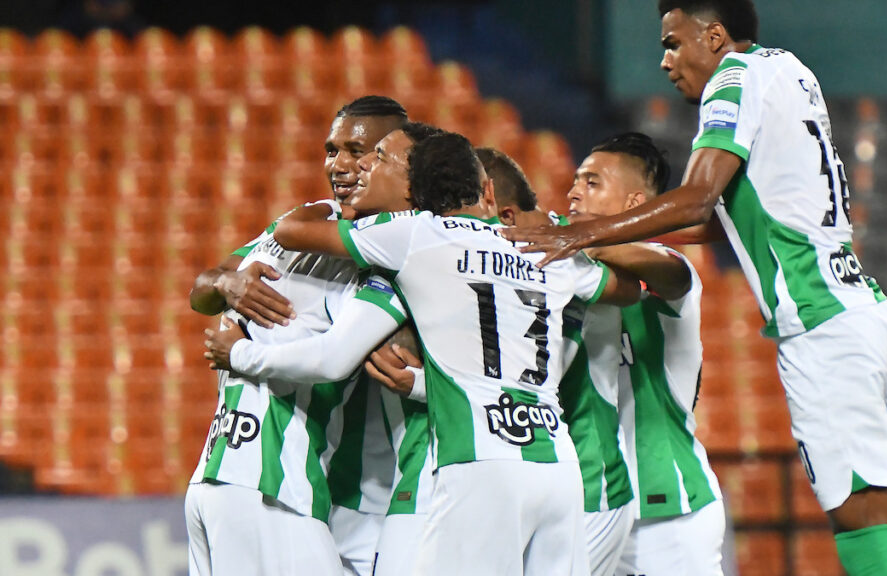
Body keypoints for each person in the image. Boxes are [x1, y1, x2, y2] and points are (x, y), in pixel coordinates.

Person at [502, 2, 887, 575]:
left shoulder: (732, 80)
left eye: (673, 42)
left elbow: (695, 198)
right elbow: (730, 216)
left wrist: (577, 234)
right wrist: (592, 234)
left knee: (864, 530)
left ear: (714, 36)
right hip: (868, 309)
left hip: (820, 323)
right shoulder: (790, 71)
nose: (666, 61)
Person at [272, 132, 639, 576]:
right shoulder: (541, 245)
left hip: (480, 464)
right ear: (486, 190)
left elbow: (290, 233)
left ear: (417, 197)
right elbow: (627, 289)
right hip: (558, 466)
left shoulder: (415, 235)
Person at [184, 96, 408, 576]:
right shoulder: (306, 221)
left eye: (358, 151)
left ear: (396, 160)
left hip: (244, 479)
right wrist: (227, 283)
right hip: (269, 480)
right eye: (332, 150)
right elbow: (202, 289)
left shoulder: (375, 240)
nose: (339, 164)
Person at [560, 133, 726, 576]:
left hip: (668, 515)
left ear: (635, 201)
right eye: (575, 181)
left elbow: (674, 278)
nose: (574, 191)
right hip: (589, 506)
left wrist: (585, 239)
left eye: (592, 183)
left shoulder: (668, 268)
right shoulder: (570, 276)